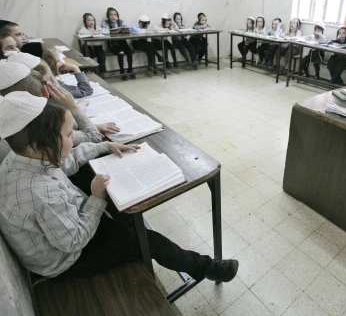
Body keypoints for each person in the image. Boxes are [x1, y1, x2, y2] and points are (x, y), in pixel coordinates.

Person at [0, 91, 239, 282]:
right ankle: (208, 268)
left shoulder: (22, 157)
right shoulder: (40, 194)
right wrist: (96, 198)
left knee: (100, 184)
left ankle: (125, 223)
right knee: (148, 241)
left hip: (61, 229)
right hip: (66, 259)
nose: (75, 139)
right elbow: (73, 241)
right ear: (39, 145)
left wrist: (103, 147)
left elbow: (65, 162)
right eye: (69, 135)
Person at [0, 61, 118, 148]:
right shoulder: (42, 122)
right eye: (50, 79)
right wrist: (73, 107)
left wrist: (92, 126)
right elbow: (94, 137)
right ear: (46, 91)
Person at [102, 7, 135, 80]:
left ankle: (130, 69)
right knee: (121, 53)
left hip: (122, 42)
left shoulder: (121, 22)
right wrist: (113, 32)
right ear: (108, 16)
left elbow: (127, 29)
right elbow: (104, 32)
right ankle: (122, 71)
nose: (113, 16)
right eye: (111, 15)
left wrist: (125, 30)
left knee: (129, 52)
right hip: (113, 43)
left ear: (117, 16)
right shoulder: (106, 23)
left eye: (115, 15)